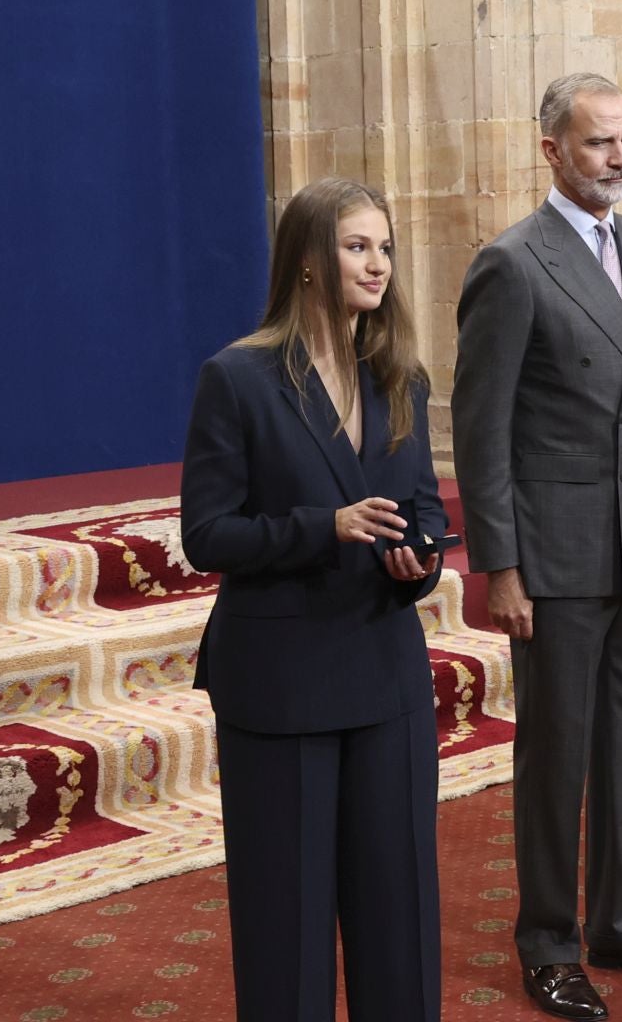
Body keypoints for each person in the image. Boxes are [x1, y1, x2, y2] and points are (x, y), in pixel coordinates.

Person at [451, 73, 622, 1021]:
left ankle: (620, 921)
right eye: (601, 144)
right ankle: (550, 942)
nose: (620, 160)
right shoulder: (512, 263)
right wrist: (501, 568)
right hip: (556, 563)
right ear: (552, 149)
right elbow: (484, 436)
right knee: (556, 758)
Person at [180, 177, 446, 1021]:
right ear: (306, 260)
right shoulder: (239, 378)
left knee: (398, 920)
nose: (379, 264)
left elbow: (429, 512)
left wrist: (421, 559)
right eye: (357, 246)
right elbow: (207, 535)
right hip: (282, 681)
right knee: (286, 930)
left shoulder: (401, 376)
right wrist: (320, 527)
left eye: (386, 247)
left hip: (384, 671)